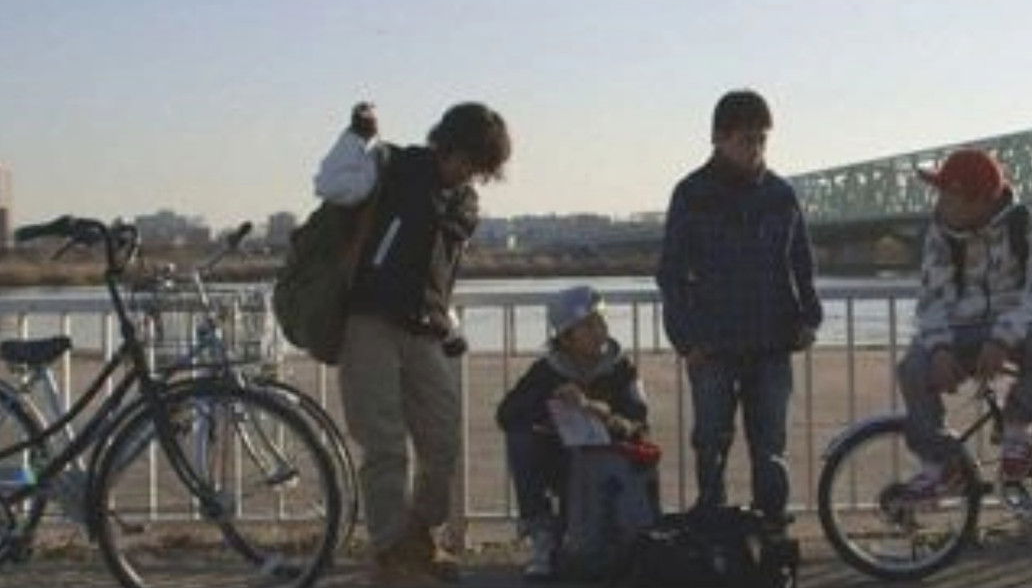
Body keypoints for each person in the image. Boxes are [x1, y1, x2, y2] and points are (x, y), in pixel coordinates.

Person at [325, 102, 511, 587]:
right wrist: (357, 135)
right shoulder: (396, 167)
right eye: (468, 160)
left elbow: (440, 268)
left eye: (479, 168)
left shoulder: (463, 203)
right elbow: (331, 184)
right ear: (447, 145)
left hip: (426, 326)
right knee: (384, 444)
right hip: (369, 318)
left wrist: (447, 322)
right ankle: (390, 554)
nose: (469, 173)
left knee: (443, 439)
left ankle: (416, 537)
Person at [656, 89, 823, 530]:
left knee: (770, 443)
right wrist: (686, 339)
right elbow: (671, 272)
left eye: (762, 139)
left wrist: (810, 317)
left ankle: (771, 523)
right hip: (712, 342)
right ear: (719, 138)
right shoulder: (692, 194)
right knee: (711, 440)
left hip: (772, 338)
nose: (756, 149)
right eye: (747, 139)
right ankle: (713, 524)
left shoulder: (781, 194)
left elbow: (801, 262)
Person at [898, 147, 1032, 500]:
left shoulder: (1031, 225)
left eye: (949, 195)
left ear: (979, 201)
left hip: (1017, 326)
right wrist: (940, 348)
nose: (940, 203)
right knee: (913, 368)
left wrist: (1003, 338)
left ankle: (1017, 427)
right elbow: (932, 298)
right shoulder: (939, 233)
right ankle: (942, 463)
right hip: (961, 330)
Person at [495, 285, 650, 581]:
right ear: (566, 337)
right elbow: (507, 414)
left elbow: (639, 423)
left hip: (608, 465)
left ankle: (617, 543)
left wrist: (603, 415)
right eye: (588, 326)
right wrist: (549, 406)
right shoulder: (547, 370)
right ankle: (541, 536)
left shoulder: (621, 369)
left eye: (601, 322)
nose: (599, 332)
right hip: (560, 458)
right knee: (520, 440)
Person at [314, 101, 382, 206]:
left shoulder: (351, 143)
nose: (376, 125)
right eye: (372, 121)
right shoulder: (350, 145)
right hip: (343, 194)